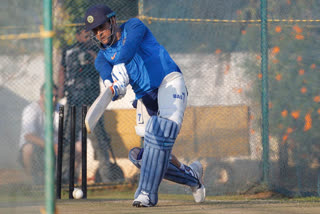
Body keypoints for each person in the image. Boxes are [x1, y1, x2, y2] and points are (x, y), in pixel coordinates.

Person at [84, 5, 206, 207]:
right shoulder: (101, 58)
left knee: (160, 131)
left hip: (168, 82)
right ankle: (192, 177)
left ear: (112, 21)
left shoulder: (133, 26)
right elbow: (106, 77)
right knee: (141, 156)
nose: (99, 33)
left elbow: (130, 46)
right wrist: (114, 86)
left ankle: (146, 194)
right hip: (145, 99)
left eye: (101, 26)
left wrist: (121, 64)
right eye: (95, 31)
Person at [58, 22, 113, 183]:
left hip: (92, 100)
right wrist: (61, 89)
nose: (87, 37)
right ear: (77, 36)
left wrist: (92, 56)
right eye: (84, 34)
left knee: (99, 139)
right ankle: (65, 175)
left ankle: (107, 177)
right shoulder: (68, 51)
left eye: (90, 34)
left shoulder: (97, 49)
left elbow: (104, 65)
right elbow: (62, 70)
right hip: (73, 99)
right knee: (68, 138)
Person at [19, 84, 59, 185]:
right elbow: (28, 136)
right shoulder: (31, 109)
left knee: (77, 147)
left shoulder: (61, 109)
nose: (53, 99)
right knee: (28, 148)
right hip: (39, 147)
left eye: (56, 96)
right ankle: (31, 182)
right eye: (50, 96)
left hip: (57, 147)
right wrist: (51, 146)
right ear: (41, 97)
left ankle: (64, 179)